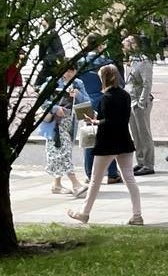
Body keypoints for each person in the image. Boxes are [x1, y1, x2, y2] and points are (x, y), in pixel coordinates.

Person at [68, 64, 143, 225]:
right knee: (129, 178)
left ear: (103, 79)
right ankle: (137, 215)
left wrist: (94, 120)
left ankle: (84, 212)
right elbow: (119, 118)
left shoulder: (106, 98)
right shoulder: (125, 95)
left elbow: (107, 121)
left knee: (95, 180)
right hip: (124, 140)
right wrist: (98, 118)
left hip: (107, 143)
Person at [38, 66, 90, 197]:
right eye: (67, 70)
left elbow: (88, 102)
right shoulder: (51, 83)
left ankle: (56, 184)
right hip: (55, 124)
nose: (69, 73)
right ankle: (76, 184)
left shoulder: (78, 83)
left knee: (60, 152)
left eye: (72, 71)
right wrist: (55, 108)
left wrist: (78, 95)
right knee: (64, 151)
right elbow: (42, 101)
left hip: (70, 123)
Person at [76, 36, 119, 185]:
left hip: (86, 101)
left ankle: (89, 173)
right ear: (100, 45)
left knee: (89, 137)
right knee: (109, 137)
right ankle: (112, 173)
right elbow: (119, 84)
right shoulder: (106, 62)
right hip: (104, 100)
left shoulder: (80, 62)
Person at [123, 35, 156, 176]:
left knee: (144, 133)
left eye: (127, 43)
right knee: (135, 134)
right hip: (130, 100)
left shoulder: (144, 61)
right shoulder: (130, 61)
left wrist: (142, 102)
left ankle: (148, 164)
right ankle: (141, 161)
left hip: (140, 102)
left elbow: (147, 83)